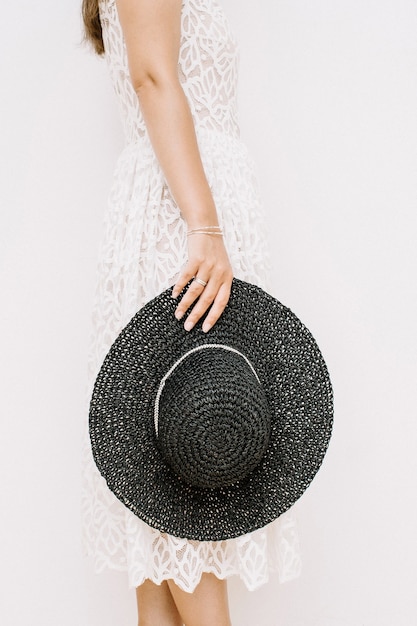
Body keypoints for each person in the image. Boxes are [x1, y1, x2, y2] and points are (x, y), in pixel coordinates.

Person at [81, 1, 301, 624]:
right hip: (180, 228)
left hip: (180, 217)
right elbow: (153, 75)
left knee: (165, 531)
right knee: (185, 488)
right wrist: (204, 226)